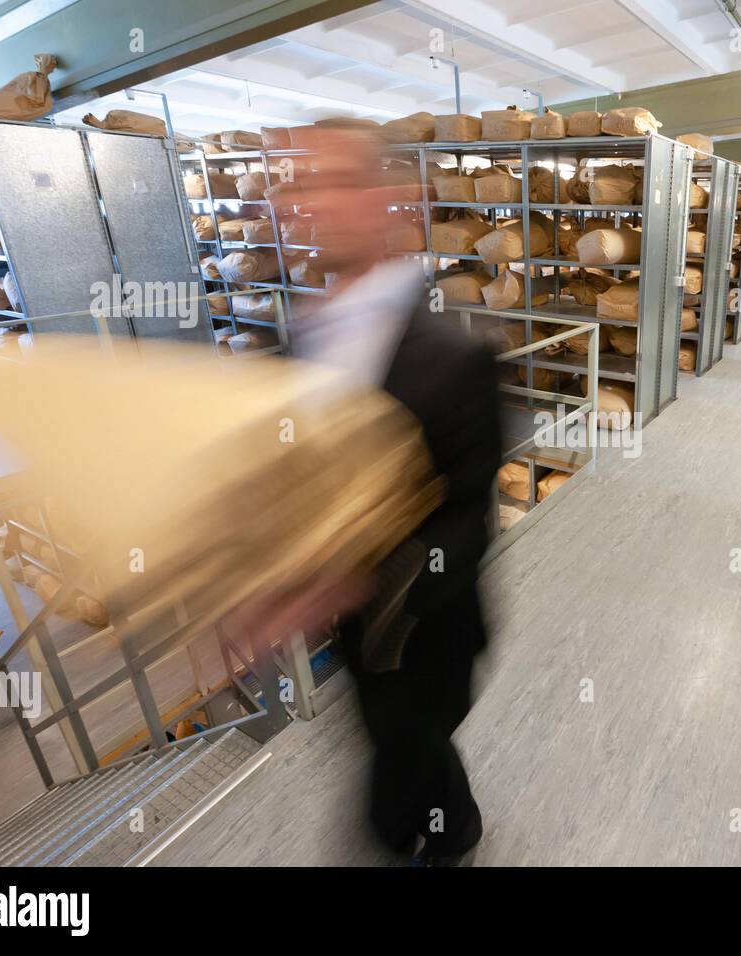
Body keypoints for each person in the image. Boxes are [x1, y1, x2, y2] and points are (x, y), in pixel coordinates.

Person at [294, 124, 502, 866]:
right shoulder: (302, 338)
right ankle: (455, 822)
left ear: (393, 202)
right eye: (301, 185)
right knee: (396, 743)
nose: (312, 203)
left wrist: (365, 584)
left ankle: (438, 840)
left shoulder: (455, 355)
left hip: (427, 625)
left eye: (336, 183)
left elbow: (471, 520)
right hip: (349, 629)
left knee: (397, 771)